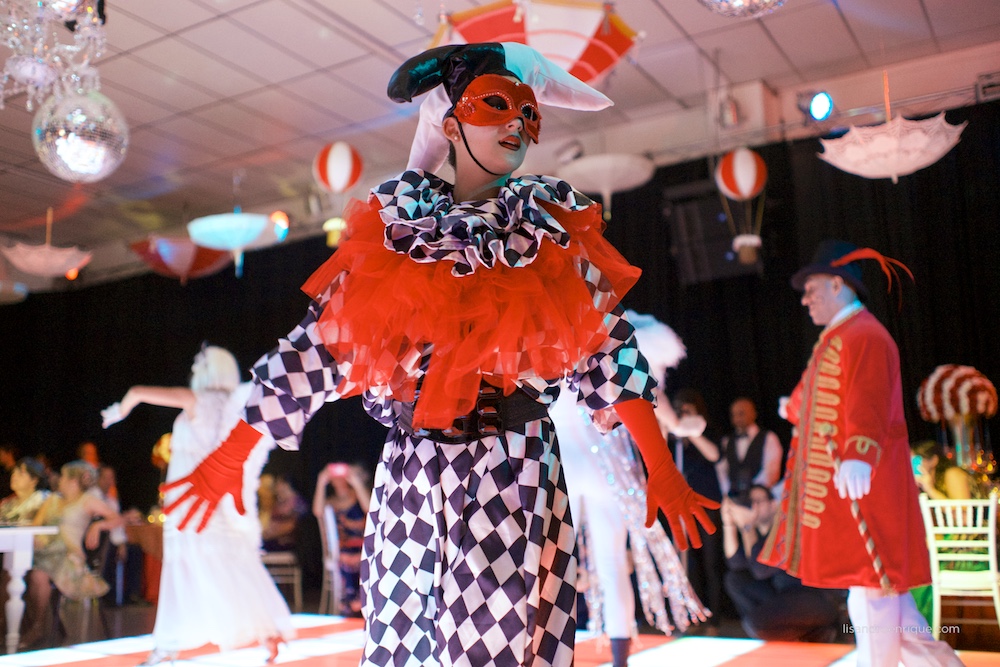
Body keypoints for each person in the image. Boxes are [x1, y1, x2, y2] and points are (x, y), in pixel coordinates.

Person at [159, 42, 717, 667]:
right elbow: (323, 345)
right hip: (412, 469)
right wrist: (232, 452)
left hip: (515, 465)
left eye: (529, 113)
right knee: (403, 646)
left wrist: (659, 465)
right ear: (451, 124)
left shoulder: (544, 226)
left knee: (503, 646)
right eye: (497, 106)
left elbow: (605, 348)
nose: (517, 124)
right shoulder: (403, 225)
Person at [758, 239, 963, 667]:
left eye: (812, 289)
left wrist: (858, 454)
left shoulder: (865, 335)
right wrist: (792, 407)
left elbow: (867, 403)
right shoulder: (838, 337)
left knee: (873, 596)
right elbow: (820, 396)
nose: (806, 299)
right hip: (848, 485)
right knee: (889, 607)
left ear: (837, 284)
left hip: (863, 483)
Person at [101, 344, 293, 665]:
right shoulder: (231, 407)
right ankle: (267, 632)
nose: (192, 370)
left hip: (191, 506)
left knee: (188, 574)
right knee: (231, 568)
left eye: (197, 365)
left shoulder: (199, 401)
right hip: (214, 504)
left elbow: (138, 391)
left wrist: (122, 407)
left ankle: (166, 648)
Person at [550, 312, 707, 667]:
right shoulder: (612, 334)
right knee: (610, 564)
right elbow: (644, 392)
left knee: (550, 563)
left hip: (562, 464)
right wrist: (680, 427)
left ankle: (554, 653)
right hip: (605, 469)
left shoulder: (549, 326)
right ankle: (619, 660)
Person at [22, 461, 123, 650]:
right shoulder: (52, 500)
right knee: (15, 572)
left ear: (74, 480)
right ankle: (17, 625)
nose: (59, 479)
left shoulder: (87, 501)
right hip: (46, 553)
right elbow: (35, 527)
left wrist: (97, 525)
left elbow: (117, 518)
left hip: (69, 558)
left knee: (38, 575)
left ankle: (37, 627)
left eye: (63, 475)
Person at [722, 484, 841, 642]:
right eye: (750, 502)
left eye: (758, 501)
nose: (753, 507)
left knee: (756, 623)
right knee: (735, 579)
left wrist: (747, 527)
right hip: (784, 595)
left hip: (811, 597)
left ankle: (814, 632)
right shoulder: (755, 533)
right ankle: (784, 632)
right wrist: (728, 523)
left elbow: (760, 569)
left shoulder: (785, 528)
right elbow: (736, 564)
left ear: (774, 504)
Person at [669, 388, 725, 634]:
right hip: (680, 504)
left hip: (706, 503)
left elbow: (714, 455)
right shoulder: (674, 438)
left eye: (688, 409)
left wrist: (692, 431)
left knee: (711, 562)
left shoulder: (706, 430)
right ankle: (691, 616)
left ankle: (714, 618)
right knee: (686, 562)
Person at [313, 462, 371, 616]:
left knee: (362, 557)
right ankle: (351, 602)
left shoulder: (358, 497)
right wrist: (321, 481)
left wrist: (356, 482)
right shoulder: (331, 502)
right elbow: (318, 512)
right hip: (343, 548)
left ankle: (360, 601)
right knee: (345, 557)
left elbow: (371, 509)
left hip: (364, 546)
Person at [716, 397, 783, 501]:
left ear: (754, 413)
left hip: (761, 499)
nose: (737, 418)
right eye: (734, 415)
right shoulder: (726, 441)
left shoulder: (768, 438)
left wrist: (758, 493)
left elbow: (772, 469)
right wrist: (728, 493)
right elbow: (722, 470)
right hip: (734, 499)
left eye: (741, 413)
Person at [258, 473, 307, 553]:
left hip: (287, 548)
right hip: (271, 542)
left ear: (286, 485)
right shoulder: (278, 502)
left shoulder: (298, 505)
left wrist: (269, 532)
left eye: (278, 483)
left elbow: (294, 525)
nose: (276, 487)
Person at [0, 457, 50, 523]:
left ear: (34, 480)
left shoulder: (43, 499)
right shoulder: (7, 505)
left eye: (20, 473)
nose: (14, 476)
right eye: (13, 472)